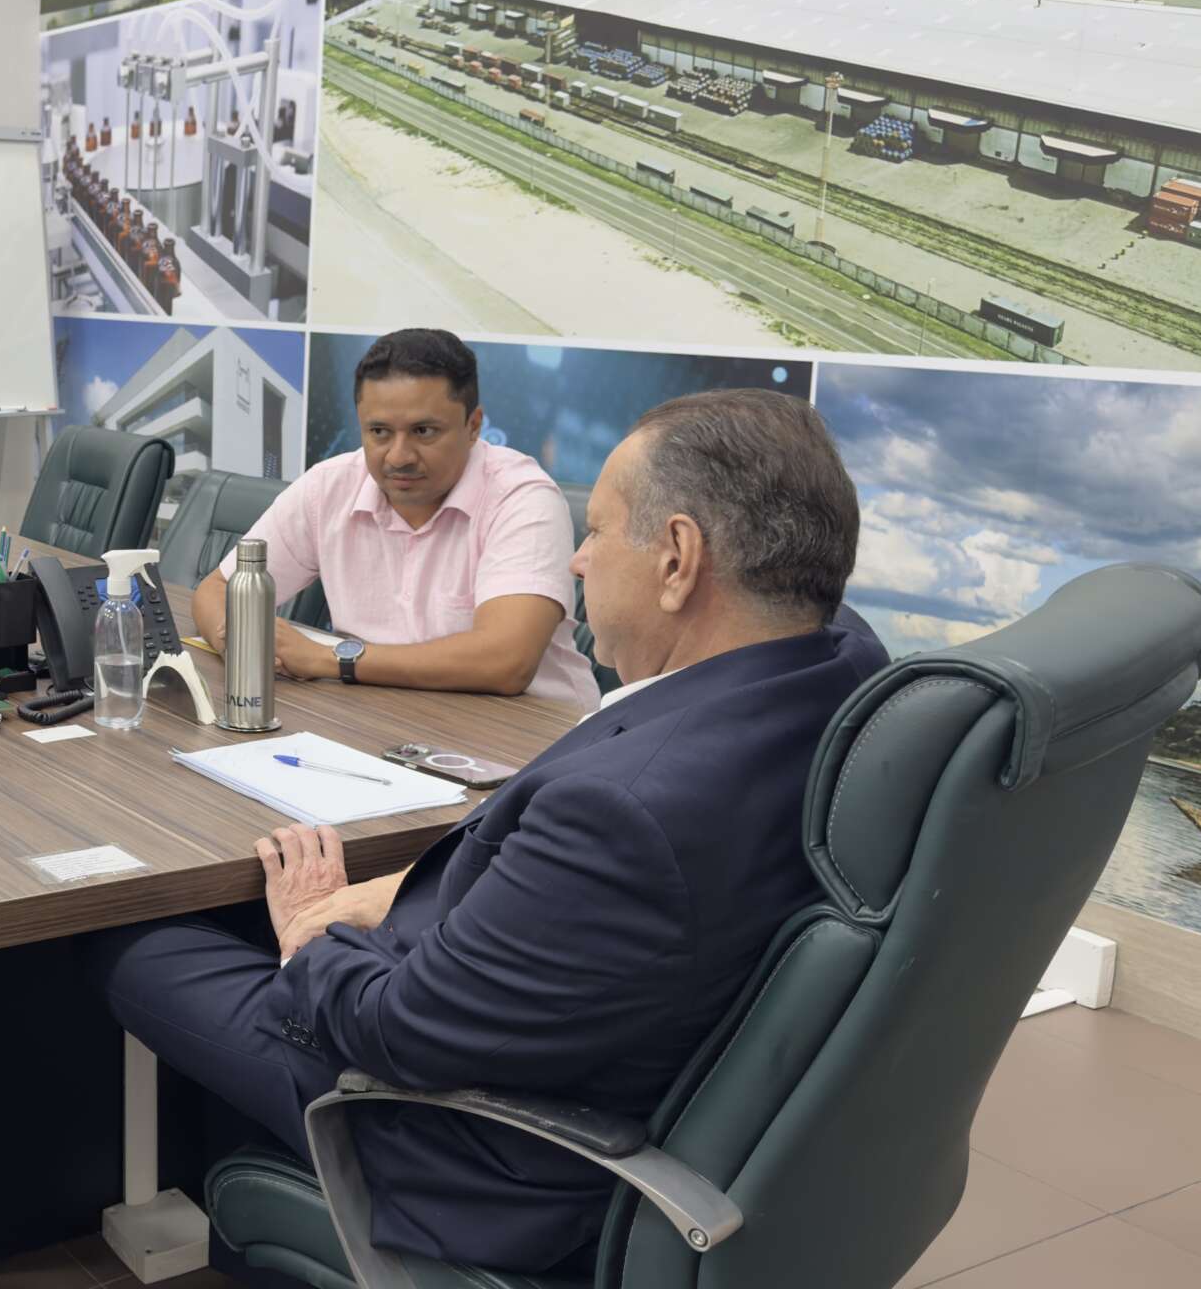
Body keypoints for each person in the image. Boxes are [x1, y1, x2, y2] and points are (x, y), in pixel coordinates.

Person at [89, 389, 887, 1275]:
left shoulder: (627, 813)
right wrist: (395, 892)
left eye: (600, 531)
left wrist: (310, 934)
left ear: (677, 560)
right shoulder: (842, 668)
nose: (578, 560)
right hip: (602, 1027)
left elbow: (401, 1030)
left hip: (480, 1149)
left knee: (137, 949)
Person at [192, 327, 598, 712]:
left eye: (423, 431)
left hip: (535, 739)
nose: (398, 456)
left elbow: (505, 661)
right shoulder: (328, 486)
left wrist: (331, 659)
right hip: (387, 717)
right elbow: (216, 591)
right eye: (380, 431)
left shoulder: (522, 497)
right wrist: (245, 646)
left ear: (473, 427)